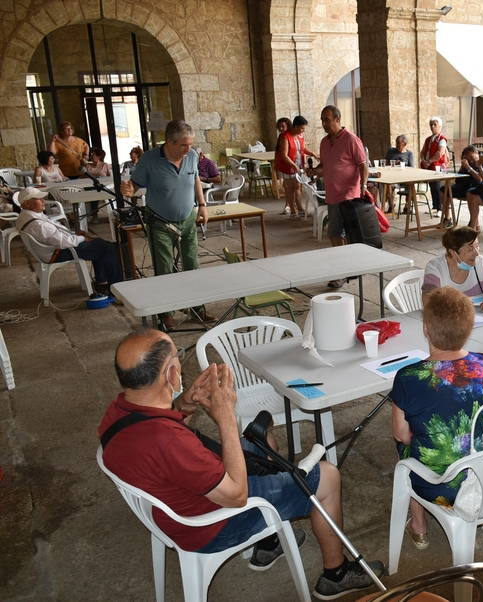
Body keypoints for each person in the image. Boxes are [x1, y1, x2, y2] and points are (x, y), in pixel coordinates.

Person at [99, 329, 385, 598]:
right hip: (212, 524)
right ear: (171, 374)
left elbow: (162, 440)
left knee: (266, 445)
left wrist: (185, 403)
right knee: (328, 476)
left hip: (175, 505)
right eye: (178, 356)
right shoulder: (169, 442)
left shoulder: (119, 412)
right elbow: (237, 495)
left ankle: (268, 544)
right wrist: (225, 415)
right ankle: (336, 575)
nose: (181, 364)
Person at [390, 287, 483, 549]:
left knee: (403, 446)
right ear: (469, 330)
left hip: (445, 487)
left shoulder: (408, 376)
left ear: (426, 330)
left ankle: (418, 524)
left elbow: (401, 434)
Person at [121, 120, 215, 330]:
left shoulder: (190, 156)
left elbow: (196, 179)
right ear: (169, 143)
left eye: (190, 144)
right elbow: (135, 185)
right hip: (160, 222)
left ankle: (197, 308)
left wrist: (202, 205)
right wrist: (128, 190)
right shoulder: (149, 160)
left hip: (188, 220)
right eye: (183, 145)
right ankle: (167, 313)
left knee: (193, 265)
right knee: (164, 269)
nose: (188, 149)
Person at [16, 187, 122, 296]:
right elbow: (62, 243)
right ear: (27, 203)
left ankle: (102, 282)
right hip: (57, 252)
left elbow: (55, 235)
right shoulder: (37, 224)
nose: (43, 201)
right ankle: (117, 287)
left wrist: (74, 234)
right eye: (39, 199)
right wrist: (82, 238)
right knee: (107, 247)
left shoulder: (26, 215)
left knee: (98, 242)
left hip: (53, 248)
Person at [310, 106, 368, 288]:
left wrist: (364, 185)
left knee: (338, 232)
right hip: (332, 194)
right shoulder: (325, 142)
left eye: (327, 119)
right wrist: (314, 173)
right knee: (337, 234)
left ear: (338, 119)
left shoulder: (351, 139)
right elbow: (326, 166)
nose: (324, 123)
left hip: (348, 194)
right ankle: (347, 268)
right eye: (322, 120)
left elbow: (362, 165)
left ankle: (343, 271)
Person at [422, 226, 483, 312]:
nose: (476, 253)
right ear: (453, 252)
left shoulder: (480, 262)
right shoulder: (435, 268)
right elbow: (428, 301)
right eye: (470, 249)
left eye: (477, 246)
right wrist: (460, 304)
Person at [274, 119, 305, 219]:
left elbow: (301, 148)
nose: (281, 129)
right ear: (296, 127)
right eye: (302, 128)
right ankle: (293, 211)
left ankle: (300, 209)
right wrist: (294, 166)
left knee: (297, 187)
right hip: (288, 166)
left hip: (297, 165)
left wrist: (312, 154)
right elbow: (283, 154)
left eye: (283, 126)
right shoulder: (284, 137)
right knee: (290, 188)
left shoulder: (298, 136)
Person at [419, 116, 449, 215]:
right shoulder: (428, 139)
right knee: (432, 186)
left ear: (439, 126)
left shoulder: (442, 139)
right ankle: (435, 206)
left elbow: (440, 153)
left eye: (435, 125)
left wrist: (429, 161)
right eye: (431, 125)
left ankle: (440, 209)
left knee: (436, 186)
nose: (432, 126)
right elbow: (422, 151)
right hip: (428, 165)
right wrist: (423, 160)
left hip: (437, 166)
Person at [383, 135, 416, 213]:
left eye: (398, 143)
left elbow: (412, 168)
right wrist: (393, 163)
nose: (396, 144)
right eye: (396, 142)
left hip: (405, 178)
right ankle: (391, 205)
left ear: (404, 144)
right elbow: (384, 162)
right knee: (387, 185)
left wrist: (401, 164)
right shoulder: (391, 151)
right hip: (392, 178)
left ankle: (407, 207)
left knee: (411, 184)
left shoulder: (409, 154)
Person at [84, 147, 112, 223]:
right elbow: (83, 177)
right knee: (91, 192)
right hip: (89, 187)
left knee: (94, 193)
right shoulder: (88, 166)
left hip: (101, 187)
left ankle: (95, 213)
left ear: (99, 156)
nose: (91, 156)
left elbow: (110, 177)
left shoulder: (105, 165)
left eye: (93, 154)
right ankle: (91, 213)